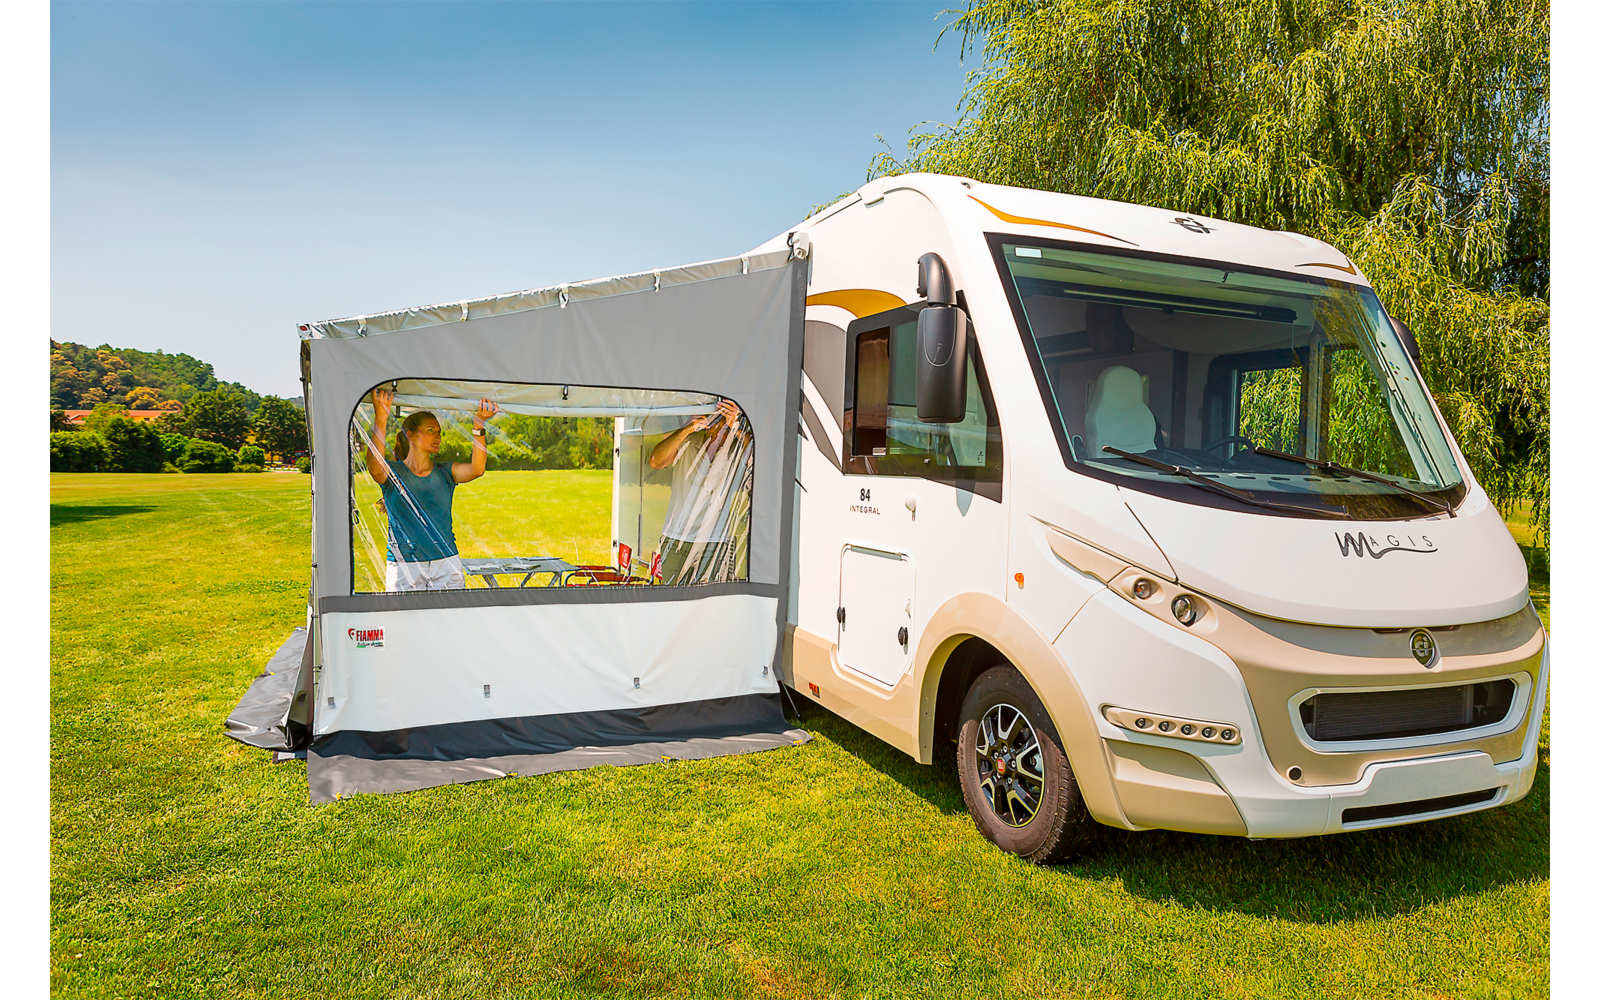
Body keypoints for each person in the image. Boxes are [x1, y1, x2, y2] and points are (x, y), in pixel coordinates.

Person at [364, 388, 501, 591]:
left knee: (450, 622)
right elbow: (374, 467)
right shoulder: (393, 473)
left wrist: (479, 424)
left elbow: (477, 469)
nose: (438, 436)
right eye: (430, 431)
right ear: (410, 435)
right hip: (404, 567)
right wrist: (381, 418)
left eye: (439, 432)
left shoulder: (445, 472)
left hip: (446, 564)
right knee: (404, 623)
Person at [648, 398, 752, 585]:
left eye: (722, 418)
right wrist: (687, 428)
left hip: (715, 542)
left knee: (709, 607)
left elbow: (756, 463)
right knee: (672, 602)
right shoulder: (687, 440)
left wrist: (737, 426)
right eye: (714, 418)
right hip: (675, 538)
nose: (717, 425)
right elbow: (656, 461)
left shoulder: (736, 445)